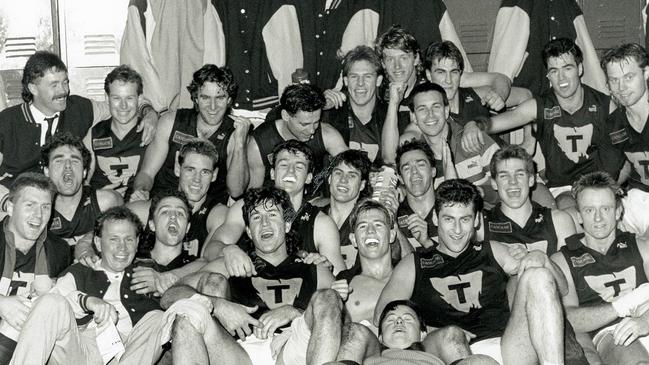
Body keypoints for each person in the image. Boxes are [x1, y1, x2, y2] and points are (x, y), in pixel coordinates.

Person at [375, 178, 576, 364]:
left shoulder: (493, 250)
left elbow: (561, 288)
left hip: (508, 345)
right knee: (454, 339)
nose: (457, 229)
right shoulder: (414, 264)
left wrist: (544, 261)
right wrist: (436, 331)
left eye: (465, 219)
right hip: (450, 352)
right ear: (435, 219)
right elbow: (381, 317)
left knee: (538, 274)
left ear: (477, 220)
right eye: (448, 219)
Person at [159, 186, 340, 364]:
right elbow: (170, 296)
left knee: (329, 297)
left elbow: (342, 320)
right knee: (187, 316)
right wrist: (217, 305)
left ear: (286, 224)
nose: (264, 223)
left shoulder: (313, 268)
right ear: (248, 232)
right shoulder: (231, 265)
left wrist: (296, 313)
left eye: (272, 215)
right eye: (256, 217)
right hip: (239, 353)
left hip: (292, 348)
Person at [466, 38, 625, 210]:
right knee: (570, 212)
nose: (561, 77)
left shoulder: (605, 105)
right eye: (554, 71)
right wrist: (474, 124)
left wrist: (607, 189)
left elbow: (622, 160)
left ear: (579, 69)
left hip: (600, 184)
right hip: (564, 188)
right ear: (548, 75)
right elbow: (499, 121)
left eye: (567, 68)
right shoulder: (541, 105)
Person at [8, 206, 166, 365]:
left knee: (159, 318)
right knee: (51, 302)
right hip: (78, 350)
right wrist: (87, 301)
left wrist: (164, 284)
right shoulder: (80, 271)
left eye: (129, 239)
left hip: (129, 352)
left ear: (137, 242)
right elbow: (47, 307)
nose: (122, 247)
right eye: (113, 239)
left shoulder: (149, 275)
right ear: (98, 242)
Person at [0, 51, 158, 198]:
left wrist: (149, 113)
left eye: (65, 82)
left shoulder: (79, 109)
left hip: (61, 203)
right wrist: (6, 202)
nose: (64, 91)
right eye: (54, 85)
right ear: (33, 88)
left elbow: (121, 103)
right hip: (13, 200)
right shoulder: (7, 122)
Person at [203, 140, 345, 275]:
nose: (290, 171)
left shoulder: (321, 223)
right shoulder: (245, 206)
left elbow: (339, 277)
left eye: (299, 166)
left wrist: (327, 267)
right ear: (272, 173)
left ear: (308, 178)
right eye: (284, 165)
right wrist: (228, 250)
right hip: (247, 292)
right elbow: (210, 250)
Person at [551, 171, 649, 364]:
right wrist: (622, 306)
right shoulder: (563, 260)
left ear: (618, 211)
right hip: (612, 333)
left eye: (605, 209)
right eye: (589, 210)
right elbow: (568, 319)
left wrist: (645, 320)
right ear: (578, 215)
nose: (598, 218)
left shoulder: (641, 246)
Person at [132, 64, 250, 205]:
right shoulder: (171, 122)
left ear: (229, 100)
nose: (213, 106)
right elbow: (147, 173)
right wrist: (141, 191)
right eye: (205, 97)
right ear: (195, 99)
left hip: (208, 209)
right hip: (164, 201)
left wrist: (240, 144)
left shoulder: (235, 133)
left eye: (220, 98)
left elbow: (237, 191)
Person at [0, 173, 71, 363]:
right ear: (10, 207)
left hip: (30, 341)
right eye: (30, 205)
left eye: (45, 207)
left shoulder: (59, 250)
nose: (38, 216)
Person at [400, 82, 501, 206]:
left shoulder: (475, 138)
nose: (430, 115)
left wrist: (481, 192)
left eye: (436, 107)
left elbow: (506, 185)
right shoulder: (414, 157)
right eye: (422, 109)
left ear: (446, 110)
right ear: (413, 117)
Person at [128, 140, 227, 262]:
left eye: (205, 172)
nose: (197, 180)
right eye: (190, 170)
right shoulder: (150, 208)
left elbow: (206, 264)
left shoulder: (218, 214)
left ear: (215, 175)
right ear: (177, 168)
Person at [248, 83, 347, 195]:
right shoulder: (259, 143)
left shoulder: (327, 134)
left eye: (315, 122)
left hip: (314, 202)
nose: (311, 130)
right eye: (304, 124)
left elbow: (354, 166)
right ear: (286, 116)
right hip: (273, 202)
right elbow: (253, 194)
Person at [42, 132, 122, 262]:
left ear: (85, 171)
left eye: (74, 161)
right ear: (46, 171)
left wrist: (88, 241)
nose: (67, 166)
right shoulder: (37, 207)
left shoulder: (106, 202)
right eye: (59, 161)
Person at [321, 46, 409, 163]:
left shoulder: (393, 117)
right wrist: (318, 105)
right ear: (346, 81)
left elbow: (391, 160)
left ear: (378, 80)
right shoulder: (330, 115)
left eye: (367, 76)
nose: (360, 83)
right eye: (354, 76)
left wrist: (394, 104)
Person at [484, 144, 577, 256]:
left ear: (531, 180)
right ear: (494, 183)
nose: (513, 182)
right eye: (504, 176)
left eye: (520, 174)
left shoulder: (559, 221)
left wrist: (540, 259)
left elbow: (569, 271)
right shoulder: (481, 225)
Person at [601, 43, 649, 238]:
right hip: (639, 198)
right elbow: (610, 174)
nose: (621, 88)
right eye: (614, 80)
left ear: (646, 73)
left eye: (629, 77)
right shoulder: (614, 125)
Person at [84, 65, 147, 199]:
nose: (123, 106)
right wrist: (98, 196)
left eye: (129, 98)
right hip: (102, 209)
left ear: (140, 99)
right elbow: (83, 182)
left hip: (139, 208)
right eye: (116, 98)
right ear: (107, 99)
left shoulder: (150, 131)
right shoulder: (94, 134)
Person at [324, 150, 373, 268]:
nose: (343, 180)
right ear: (330, 178)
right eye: (338, 173)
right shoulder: (314, 218)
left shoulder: (369, 221)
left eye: (352, 175)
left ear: (362, 185)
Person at [395, 139, 445, 249]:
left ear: (433, 171)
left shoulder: (450, 209)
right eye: (407, 168)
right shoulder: (395, 216)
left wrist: (427, 242)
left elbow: (461, 262)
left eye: (421, 165)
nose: (414, 172)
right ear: (400, 178)